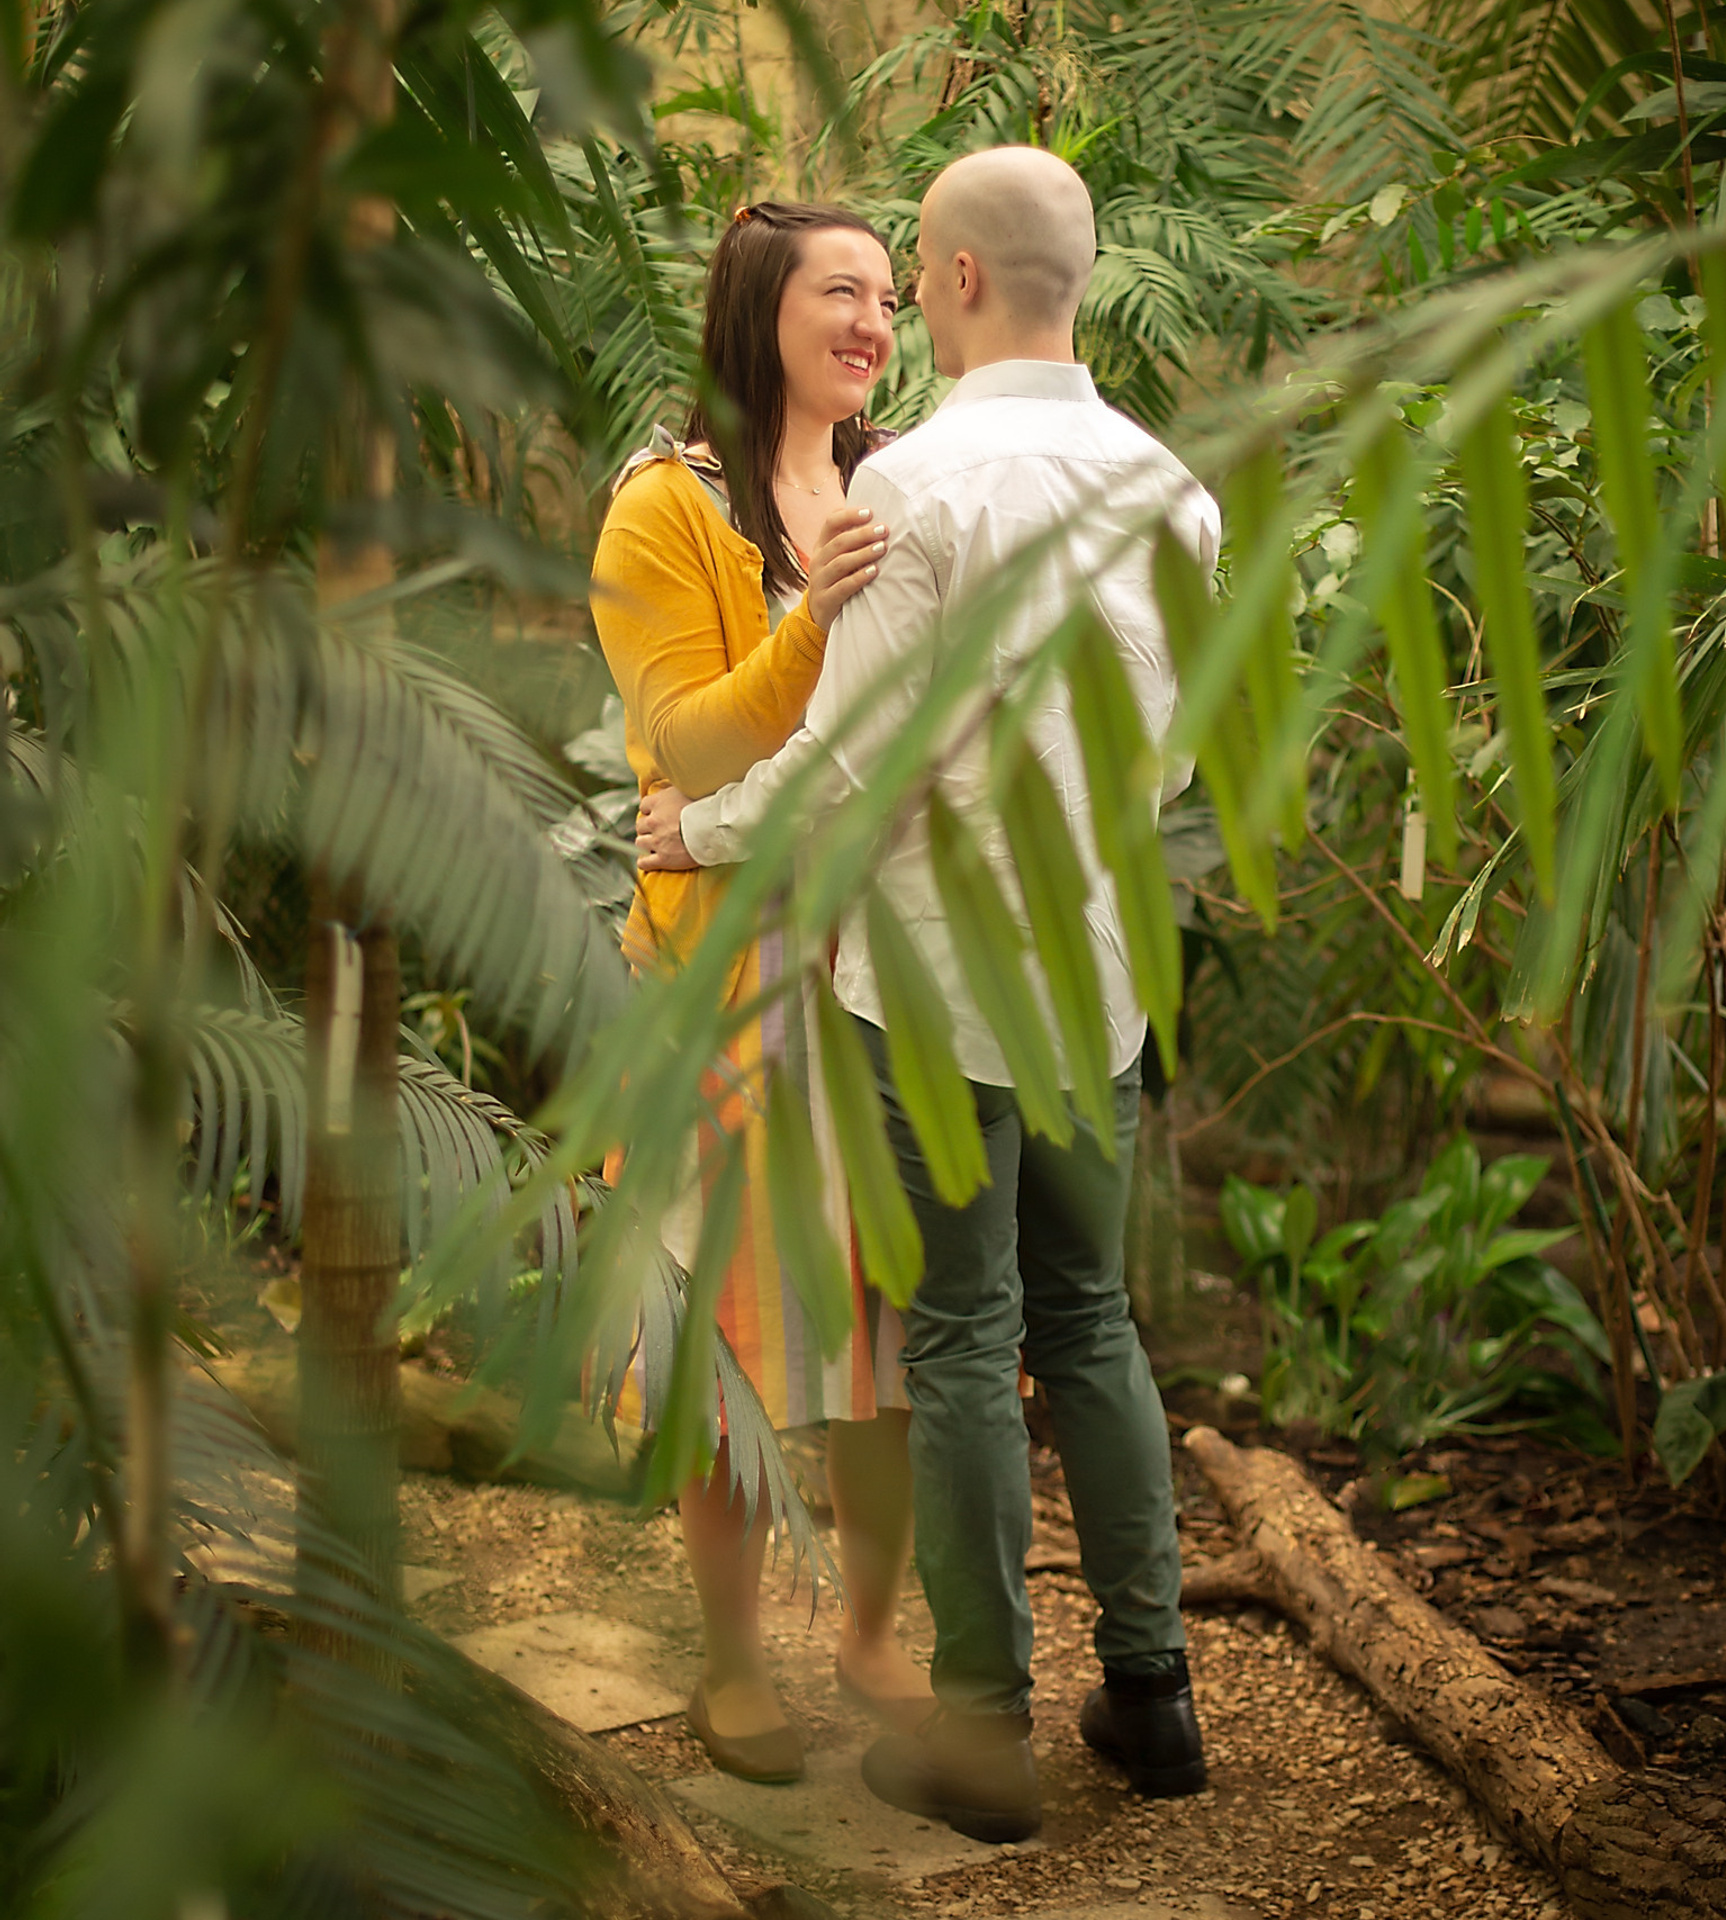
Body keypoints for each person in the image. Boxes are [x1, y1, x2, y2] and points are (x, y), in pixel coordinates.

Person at [634, 147, 1218, 1843]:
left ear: (956, 278)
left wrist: (698, 830)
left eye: (906, 282)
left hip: (939, 984)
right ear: (1077, 275)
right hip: (1098, 979)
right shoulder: (1173, 491)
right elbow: (1172, 761)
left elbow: (848, 768)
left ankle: (982, 1732)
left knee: (964, 1335)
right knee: (1091, 1321)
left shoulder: (917, 488)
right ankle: (1156, 1697)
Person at [588, 200, 929, 1787]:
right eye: (840, 292)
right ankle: (730, 1660)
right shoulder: (664, 507)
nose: (875, 323)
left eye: (890, 297)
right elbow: (690, 746)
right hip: (723, 983)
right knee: (723, 1330)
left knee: (890, 1331)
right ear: (756, 309)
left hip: (894, 963)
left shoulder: (902, 482)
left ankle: (869, 1634)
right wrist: (819, 625)